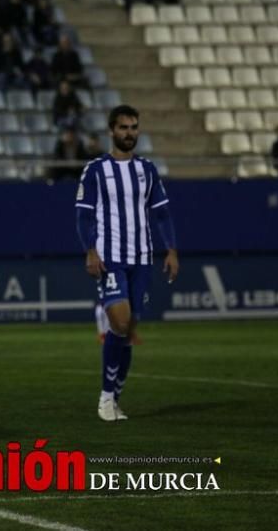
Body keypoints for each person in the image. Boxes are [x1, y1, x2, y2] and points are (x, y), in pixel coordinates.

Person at [75, 105, 178, 422]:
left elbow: (161, 213)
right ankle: (106, 399)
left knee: (128, 331)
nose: (130, 133)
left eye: (134, 127)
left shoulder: (147, 170)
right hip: (111, 258)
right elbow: (83, 214)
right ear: (111, 130)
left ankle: (115, 396)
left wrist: (171, 250)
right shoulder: (94, 170)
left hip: (142, 259)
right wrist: (90, 250)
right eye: (123, 128)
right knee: (119, 323)